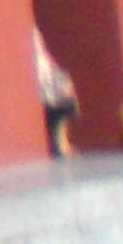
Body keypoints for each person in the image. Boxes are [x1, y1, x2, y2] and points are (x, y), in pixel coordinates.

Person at [33, 26, 79, 158]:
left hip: (48, 81)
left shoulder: (36, 39)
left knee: (64, 90)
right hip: (45, 85)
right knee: (61, 94)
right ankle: (60, 143)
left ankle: (61, 140)